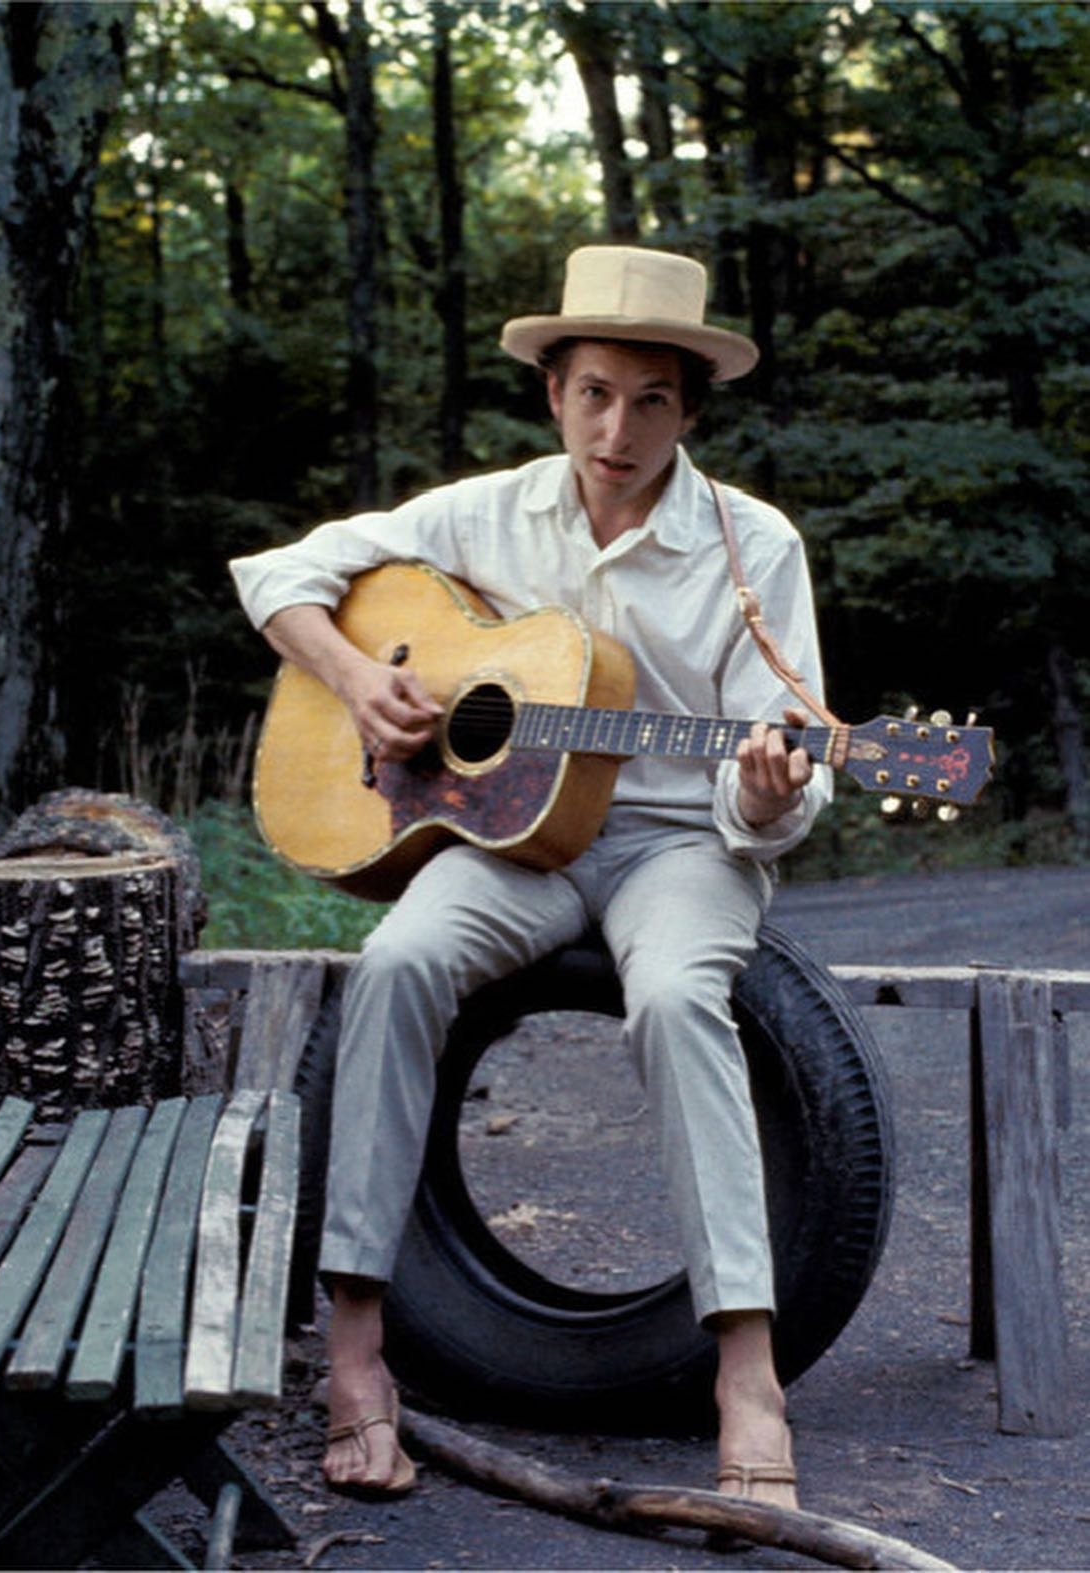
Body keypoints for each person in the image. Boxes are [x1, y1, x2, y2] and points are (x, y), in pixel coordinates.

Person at [229, 245, 832, 1509]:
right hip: (514, 844)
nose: (620, 428)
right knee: (395, 962)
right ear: (552, 392)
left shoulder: (749, 545)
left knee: (675, 1000)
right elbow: (275, 574)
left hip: (679, 840)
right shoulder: (480, 515)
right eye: (595, 393)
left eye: (653, 399)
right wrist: (356, 679)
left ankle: (745, 1370)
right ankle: (355, 1355)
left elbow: (780, 750)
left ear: (689, 407)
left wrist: (769, 790)